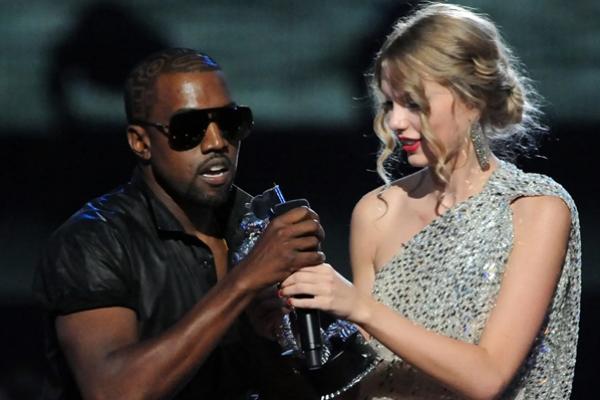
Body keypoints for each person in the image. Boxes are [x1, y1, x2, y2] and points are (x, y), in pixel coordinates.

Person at [280, 3, 581, 399]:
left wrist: (357, 305)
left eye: (414, 104)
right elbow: (368, 373)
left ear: (472, 100)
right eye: (390, 104)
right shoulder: (378, 212)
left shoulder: (534, 209)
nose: (396, 122)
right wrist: (296, 325)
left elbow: (487, 376)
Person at [33, 48, 325, 400]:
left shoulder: (259, 224)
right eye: (190, 128)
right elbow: (112, 391)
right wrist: (244, 281)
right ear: (141, 142)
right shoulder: (92, 242)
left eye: (230, 122)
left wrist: (277, 338)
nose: (217, 142)